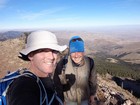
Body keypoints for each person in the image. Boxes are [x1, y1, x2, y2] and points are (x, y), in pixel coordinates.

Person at [6, 30, 67, 105]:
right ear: (31, 55)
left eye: (54, 51)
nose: (51, 57)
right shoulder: (24, 86)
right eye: (43, 51)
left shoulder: (44, 78)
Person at [54, 36, 97, 105]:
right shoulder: (62, 63)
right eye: (73, 52)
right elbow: (57, 84)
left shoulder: (90, 62)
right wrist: (61, 100)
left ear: (83, 52)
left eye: (79, 51)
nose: (76, 55)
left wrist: (92, 95)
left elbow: (93, 81)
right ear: (70, 52)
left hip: (85, 100)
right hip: (69, 101)